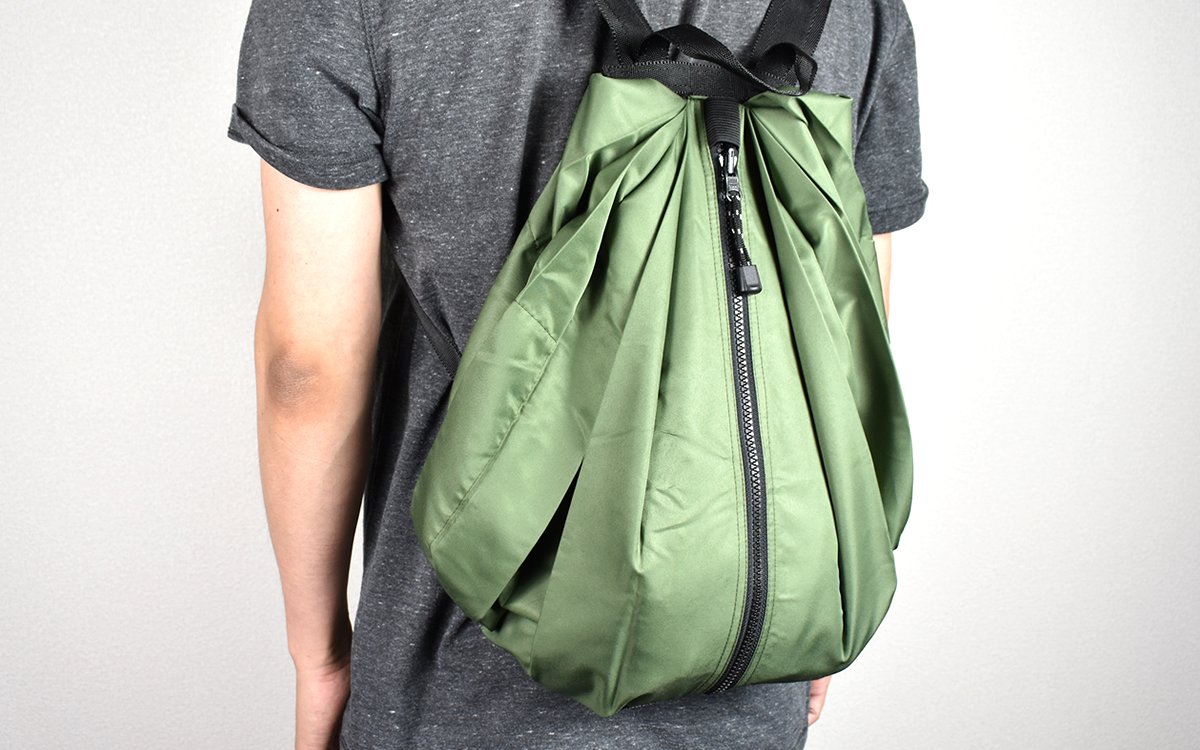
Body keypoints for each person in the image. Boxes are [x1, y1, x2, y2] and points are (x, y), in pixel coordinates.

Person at [229, 0, 926, 747]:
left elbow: (307, 369)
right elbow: (853, 331)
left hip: (451, 677)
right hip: (751, 653)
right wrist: (820, 579)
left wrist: (322, 655)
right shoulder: (865, 12)